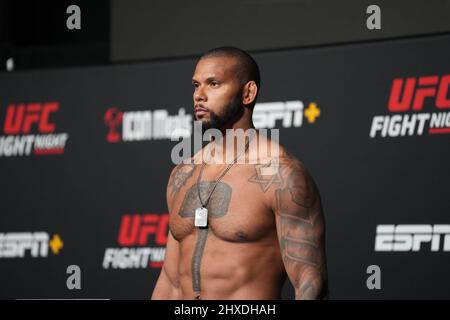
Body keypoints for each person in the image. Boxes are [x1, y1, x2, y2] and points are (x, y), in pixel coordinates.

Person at [151, 46, 328, 300]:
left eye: (213, 84)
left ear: (248, 93)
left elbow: (310, 284)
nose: (199, 95)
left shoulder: (281, 174)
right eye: (195, 85)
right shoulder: (183, 173)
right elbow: (169, 282)